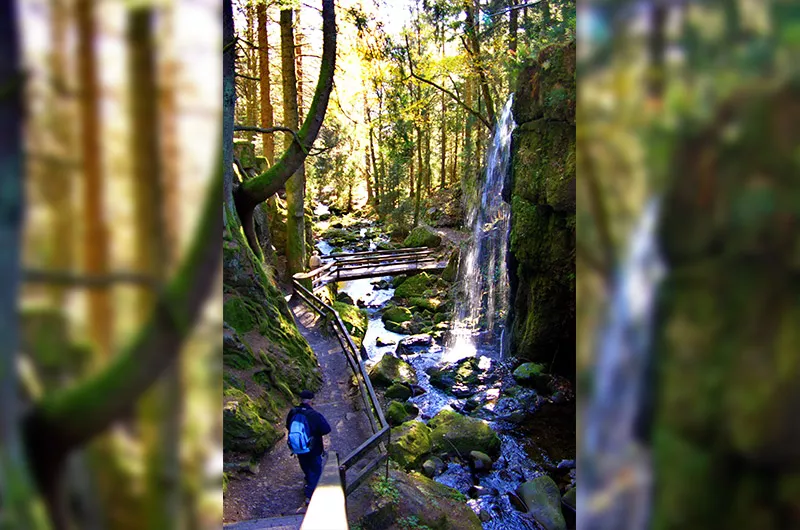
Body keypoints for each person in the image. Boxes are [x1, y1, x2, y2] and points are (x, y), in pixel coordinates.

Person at [285, 390, 331, 506]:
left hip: (299, 448)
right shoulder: (314, 415)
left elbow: (288, 426)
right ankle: (310, 495)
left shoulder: (293, 412)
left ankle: (309, 481)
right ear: (311, 401)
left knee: (306, 467)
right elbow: (326, 429)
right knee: (316, 470)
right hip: (314, 448)